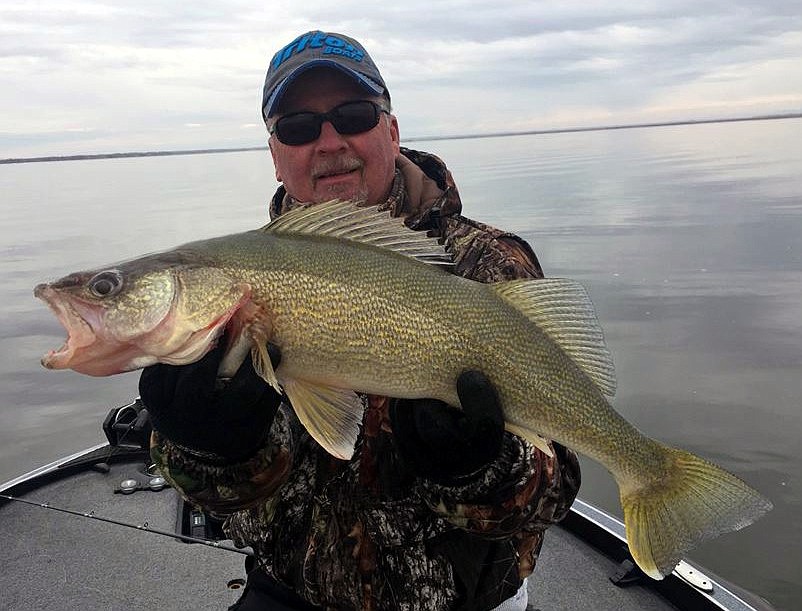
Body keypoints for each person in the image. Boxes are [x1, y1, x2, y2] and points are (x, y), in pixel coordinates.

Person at [140, 31, 580, 611]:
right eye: (297, 127)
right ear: (275, 154)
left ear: (392, 132)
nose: (328, 142)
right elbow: (225, 500)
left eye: (353, 115)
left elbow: (556, 488)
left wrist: (477, 468)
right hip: (289, 593)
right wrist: (207, 449)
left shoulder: (486, 264)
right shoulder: (231, 283)